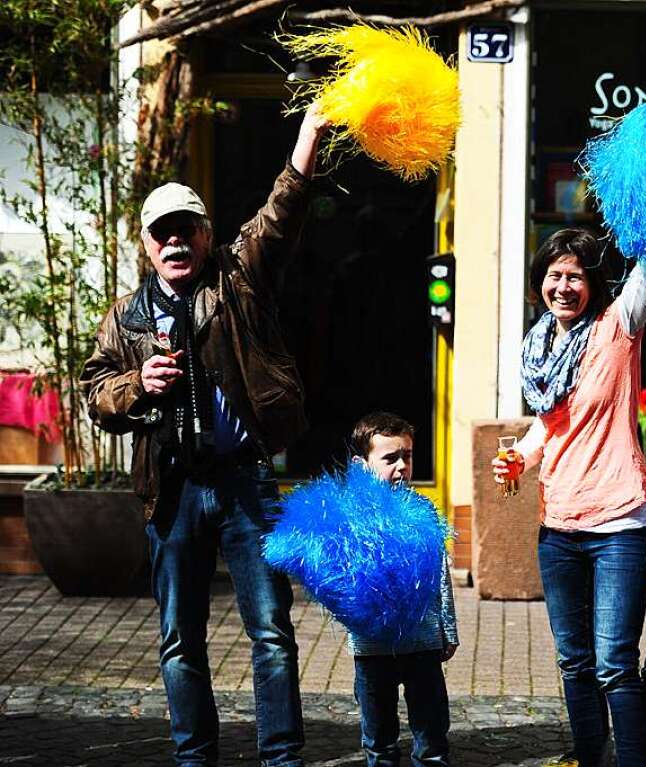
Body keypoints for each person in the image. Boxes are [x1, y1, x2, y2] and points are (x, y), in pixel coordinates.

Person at [80, 104, 329, 766]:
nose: (175, 243)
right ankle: (195, 756)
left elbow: (280, 215)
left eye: (185, 229)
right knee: (178, 640)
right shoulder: (125, 316)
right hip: (172, 490)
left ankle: (281, 756)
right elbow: (94, 393)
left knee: (271, 631)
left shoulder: (237, 276)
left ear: (205, 231)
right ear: (144, 243)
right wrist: (137, 385)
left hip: (245, 479)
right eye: (161, 234)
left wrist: (309, 136)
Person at [492, 228, 646, 767]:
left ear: (592, 283)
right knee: (574, 662)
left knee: (614, 661)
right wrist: (521, 455)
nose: (563, 286)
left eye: (575, 276)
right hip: (559, 527)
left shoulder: (619, 325)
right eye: (554, 275)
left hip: (620, 525)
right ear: (540, 282)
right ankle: (589, 757)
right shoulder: (540, 347)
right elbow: (553, 424)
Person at [348, 411, 458, 767]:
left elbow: (440, 576)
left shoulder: (423, 510)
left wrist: (448, 629)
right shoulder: (350, 517)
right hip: (371, 647)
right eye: (389, 458)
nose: (401, 467)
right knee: (378, 738)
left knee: (431, 735)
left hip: (423, 642)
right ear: (361, 464)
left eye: (406, 457)